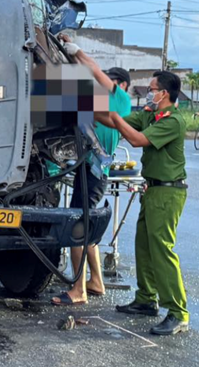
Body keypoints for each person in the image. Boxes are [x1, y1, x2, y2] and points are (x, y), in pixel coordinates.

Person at [97, 70, 189, 336]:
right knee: (144, 247)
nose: (149, 93)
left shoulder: (174, 121)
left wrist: (113, 117)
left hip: (169, 193)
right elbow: (121, 122)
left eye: (152, 89)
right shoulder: (152, 114)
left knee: (162, 250)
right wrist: (87, 111)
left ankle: (178, 312)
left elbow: (137, 139)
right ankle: (147, 298)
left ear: (165, 94)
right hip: (153, 189)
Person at [51, 38, 132, 306]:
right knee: (88, 229)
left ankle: (78, 290)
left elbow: (94, 69)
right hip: (93, 171)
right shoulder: (104, 104)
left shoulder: (120, 100)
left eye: (108, 83)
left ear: (120, 86)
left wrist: (76, 50)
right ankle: (95, 282)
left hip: (94, 173)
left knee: (77, 227)